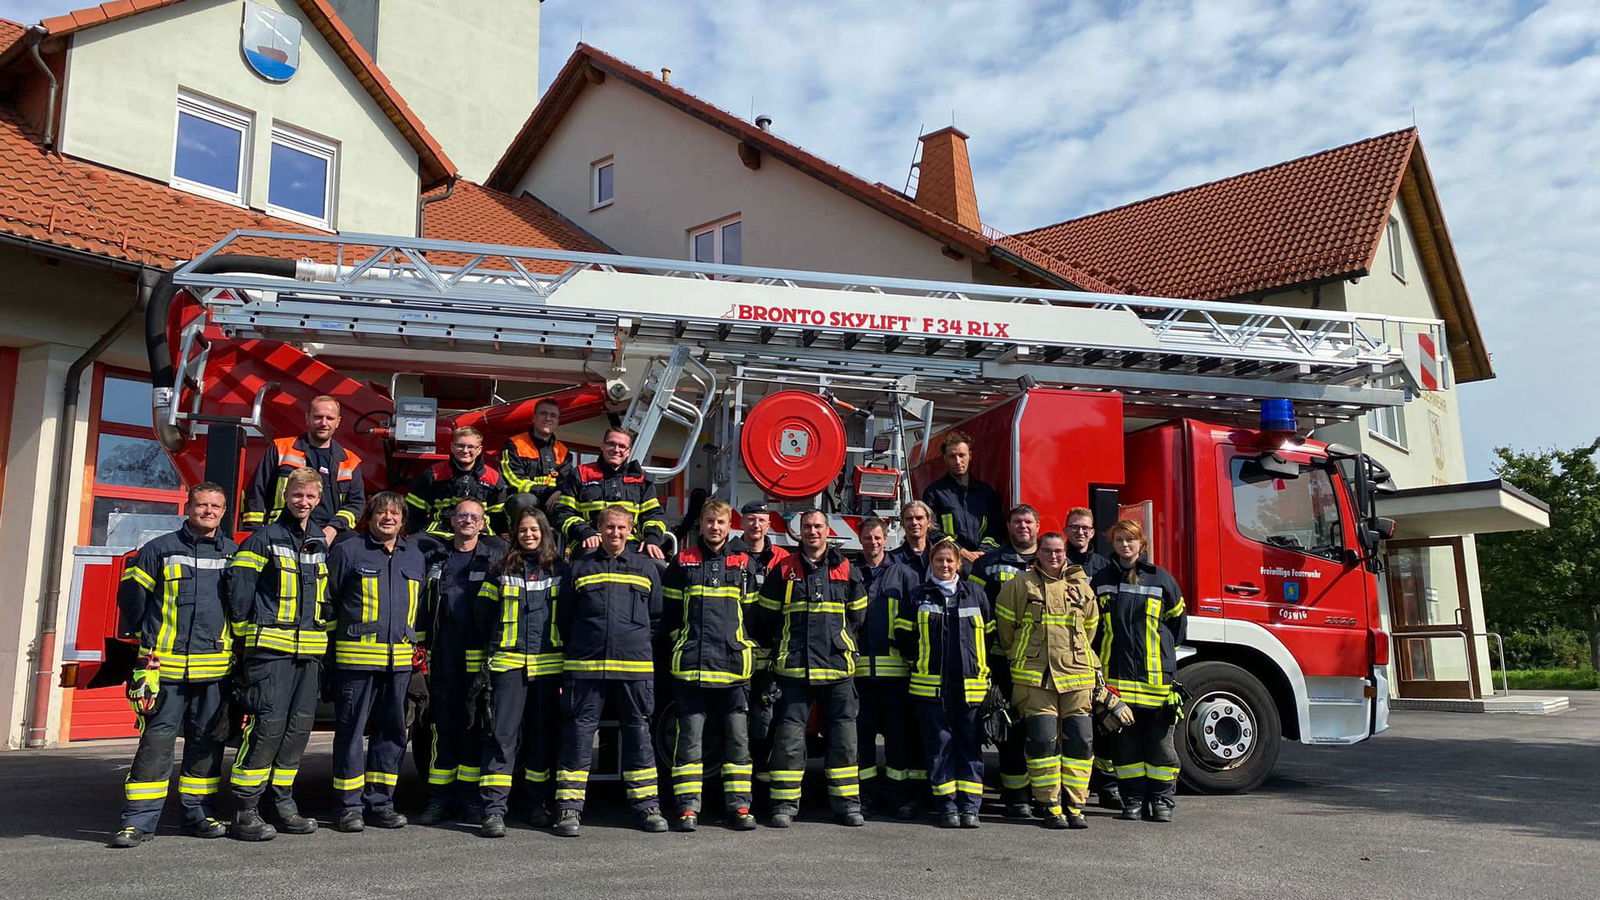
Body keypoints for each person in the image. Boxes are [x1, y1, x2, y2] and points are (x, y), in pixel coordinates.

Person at [108, 483, 237, 848]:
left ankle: (199, 815)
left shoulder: (233, 553)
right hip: (164, 669)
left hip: (213, 670)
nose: (208, 511)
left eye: (215, 506)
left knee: (206, 744)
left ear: (223, 511)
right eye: (202, 505)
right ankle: (137, 822)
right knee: (156, 743)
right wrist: (147, 637)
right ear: (188, 507)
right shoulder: (159, 549)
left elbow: (240, 603)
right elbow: (132, 598)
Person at [225, 469, 330, 841]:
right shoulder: (264, 538)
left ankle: (283, 804)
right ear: (286, 496)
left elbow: (326, 597)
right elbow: (240, 588)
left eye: (310, 497)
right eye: (297, 495)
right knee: (267, 728)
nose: (303, 502)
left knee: (298, 730)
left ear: (318, 499)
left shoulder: (319, 540)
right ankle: (245, 810)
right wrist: (244, 636)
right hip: (270, 652)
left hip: (308, 655)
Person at [552, 506, 667, 837]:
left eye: (621, 527)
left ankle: (647, 807)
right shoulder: (579, 568)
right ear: (599, 528)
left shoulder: (646, 568)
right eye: (609, 527)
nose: (615, 533)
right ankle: (569, 808)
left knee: (639, 735)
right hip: (586, 668)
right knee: (578, 736)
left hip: (633, 668)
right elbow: (564, 617)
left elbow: (656, 618)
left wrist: (634, 644)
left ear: (631, 531)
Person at [994, 531, 1121, 829]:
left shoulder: (1081, 587)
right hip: (1035, 679)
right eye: (1048, 551)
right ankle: (1050, 806)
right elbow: (1005, 629)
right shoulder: (1020, 585)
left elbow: (1091, 628)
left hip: (1077, 677)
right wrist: (1022, 656)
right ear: (1037, 553)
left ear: (1066, 553)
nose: (1054, 556)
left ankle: (1075, 806)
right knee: (1042, 743)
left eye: (1059, 551)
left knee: (1081, 743)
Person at [753, 509, 868, 828]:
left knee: (844, 741)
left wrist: (839, 642)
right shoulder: (784, 569)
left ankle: (847, 805)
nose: (812, 531)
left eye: (818, 526)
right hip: (794, 668)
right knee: (788, 741)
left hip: (836, 668)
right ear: (798, 532)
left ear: (828, 531)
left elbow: (858, 616)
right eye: (807, 527)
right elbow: (767, 618)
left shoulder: (846, 569)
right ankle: (784, 804)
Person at [326, 492, 428, 832]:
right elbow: (329, 602)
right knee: (351, 734)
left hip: (398, 665)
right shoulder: (348, 550)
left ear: (403, 520)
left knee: (393, 734)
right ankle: (349, 806)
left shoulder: (414, 556)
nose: (388, 518)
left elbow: (419, 609)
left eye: (395, 513)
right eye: (381, 512)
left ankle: (381, 803)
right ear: (368, 517)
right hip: (355, 664)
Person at [662, 499, 759, 832]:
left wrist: (745, 646)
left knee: (738, 744)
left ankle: (740, 807)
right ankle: (688, 809)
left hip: (734, 670)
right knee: (689, 743)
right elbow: (669, 614)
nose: (714, 527)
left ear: (730, 525)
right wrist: (683, 641)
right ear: (700, 524)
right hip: (692, 668)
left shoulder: (744, 563)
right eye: (708, 521)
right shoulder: (683, 561)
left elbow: (754, 616)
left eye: (720, 522)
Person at [416, 498, 507, 826]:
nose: (467, 521)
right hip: (443, 655)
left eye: (474, 517)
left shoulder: (493, 559)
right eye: (462, 515)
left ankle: (469, 797)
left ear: (482, 524)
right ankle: (439, 798)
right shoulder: (436, 558)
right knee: (441, 727)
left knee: (474, 727)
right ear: (452, 521)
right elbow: (422, 606)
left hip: (477, 658)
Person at [476, 507, 564, 838]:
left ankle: (536, 804)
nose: (529, 535)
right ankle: (493, 810)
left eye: (534, 529)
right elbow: (482, 615)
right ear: (515, 534)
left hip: (547, 668)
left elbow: (569, 616)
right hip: (508, 666)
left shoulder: (559, 569)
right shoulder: (499, 569)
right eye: (523, 530)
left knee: (541, 739)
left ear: (544, 533)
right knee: (502, 738)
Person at [894, 539, 993, 829]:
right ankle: (947, 806)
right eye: (939, 560)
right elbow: (903, 636)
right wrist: (920, 662)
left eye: (950, 560)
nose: (945, 565)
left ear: (959, 564)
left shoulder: (975, 594)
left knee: (970, 746)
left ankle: (970, 807)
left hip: (970, 687)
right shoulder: (917, 596)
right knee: (939, 747)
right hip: (930, 688)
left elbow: (990, 635)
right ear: (931, 563)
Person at [1092, 520, 1186, 823]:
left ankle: (1161, 801)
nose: (1125, 545)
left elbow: (1177, 627)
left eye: (1130, 540)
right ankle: (1132, 800)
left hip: (1156, 681)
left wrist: (1162, 657)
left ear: (1141, 544)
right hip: (1117, 682)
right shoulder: (1101, 580)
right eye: (1119, 540)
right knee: (1125, 748)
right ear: (1113, 544)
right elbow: (1093, 630)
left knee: (1161, 748)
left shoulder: (1162, 579)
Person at [970, 503, 1043, 818]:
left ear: (1037, 526)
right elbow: (975, 609)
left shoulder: (1053, 562)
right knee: (1010, 729)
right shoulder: (988, 564)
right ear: (1009, 526)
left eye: (1028, 522)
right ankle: (1017, 797)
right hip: (1002, 660)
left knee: (1042, 730)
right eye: (1016, 522)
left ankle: (1044, 795)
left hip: (1043, 663)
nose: (1022, 527)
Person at [853, 516, 921, 819]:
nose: (873, 543)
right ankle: (865, 794)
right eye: (868, 538)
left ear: (886, 539)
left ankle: (898, 795)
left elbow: (915, 619)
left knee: (898, 738)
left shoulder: (904, 574)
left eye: (877, 538)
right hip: (859, 673)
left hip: (896, 674)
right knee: (862, 738)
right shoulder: (851, 573)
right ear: (860, 540)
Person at [241, 395, 365, 544]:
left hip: (330, 536)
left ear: (338, 422)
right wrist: (254, 532)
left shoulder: (350, 461)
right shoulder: (281, 448)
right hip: (282, 530)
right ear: (307, 418)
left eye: (330, 418)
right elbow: (257, 491)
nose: (323, 423)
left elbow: (356, 504)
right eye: (318, 417)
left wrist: (333, 528)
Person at [1063, 506, 1117, 807]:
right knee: (1071, 724)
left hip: (1098, 654)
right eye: (1074, 527)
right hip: (1067, 655)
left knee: (1103, 720)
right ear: (1066, 531)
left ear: (1093, 532)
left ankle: (1107, 784)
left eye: (1085, 528)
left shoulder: (1105, 566)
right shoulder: (1058, 561)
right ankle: (1069, 786)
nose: (1080, 532)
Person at [738, 499, 788, 811]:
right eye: (750, 519)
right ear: (741, 523)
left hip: (770, 656)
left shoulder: (783, 559)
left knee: (766, 724)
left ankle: (763, 793)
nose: (756, 525)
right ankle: (741, 790)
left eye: (761, 520)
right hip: (737, 653)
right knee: (739, 725)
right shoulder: (731, 556)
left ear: (769, 524)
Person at [554, 427, 667, 559]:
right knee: (588, 564)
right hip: (591, 541)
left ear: (628, 451)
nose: (616, 449)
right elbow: (562, 512)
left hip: (631, 543)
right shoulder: (580, 474)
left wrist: (652, 538)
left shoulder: (640, 479)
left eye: (622, 446)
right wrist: (584, 531)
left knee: (657, 565)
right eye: (611, 444)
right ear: (602, 446)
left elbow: (654, 514)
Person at [405, 427, 509, 541]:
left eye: (470, 447)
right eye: (460, 446)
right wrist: (414, 533)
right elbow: (414, 511)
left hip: (480, 535)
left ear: (479, 449)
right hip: (439, 534)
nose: (465, 450)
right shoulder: (433, 474)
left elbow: (498, 517)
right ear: (452, 447)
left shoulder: (493, 478)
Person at [921, 432, 1002, 564]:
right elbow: (931, 530)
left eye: (961, 455)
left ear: (970, 455)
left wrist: (984, 552)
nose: (958, 461)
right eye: (952, 456)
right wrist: (961, 552)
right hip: (950, 562)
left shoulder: (986, 492)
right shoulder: (934, 493)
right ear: (945, 459)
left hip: (983, 560)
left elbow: (997, 528)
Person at [499, 397, 574, 523]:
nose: (548, 418)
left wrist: (559, 492)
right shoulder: (514, 444)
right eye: (543, 413)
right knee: (525, 500)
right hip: (522, 501)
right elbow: (514, 480)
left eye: (553, 415)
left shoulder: (564, 452)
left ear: (557, 422)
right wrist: (548, 492)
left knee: (566, 503)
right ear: (533, 418)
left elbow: (567, 482)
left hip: (552, 501)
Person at [887, 500, 936, 577]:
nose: (914, 522)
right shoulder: (891, 559)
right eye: (909, 519)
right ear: (902, 523)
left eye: (919, 518)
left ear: (929, 522)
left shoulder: (940, 557)